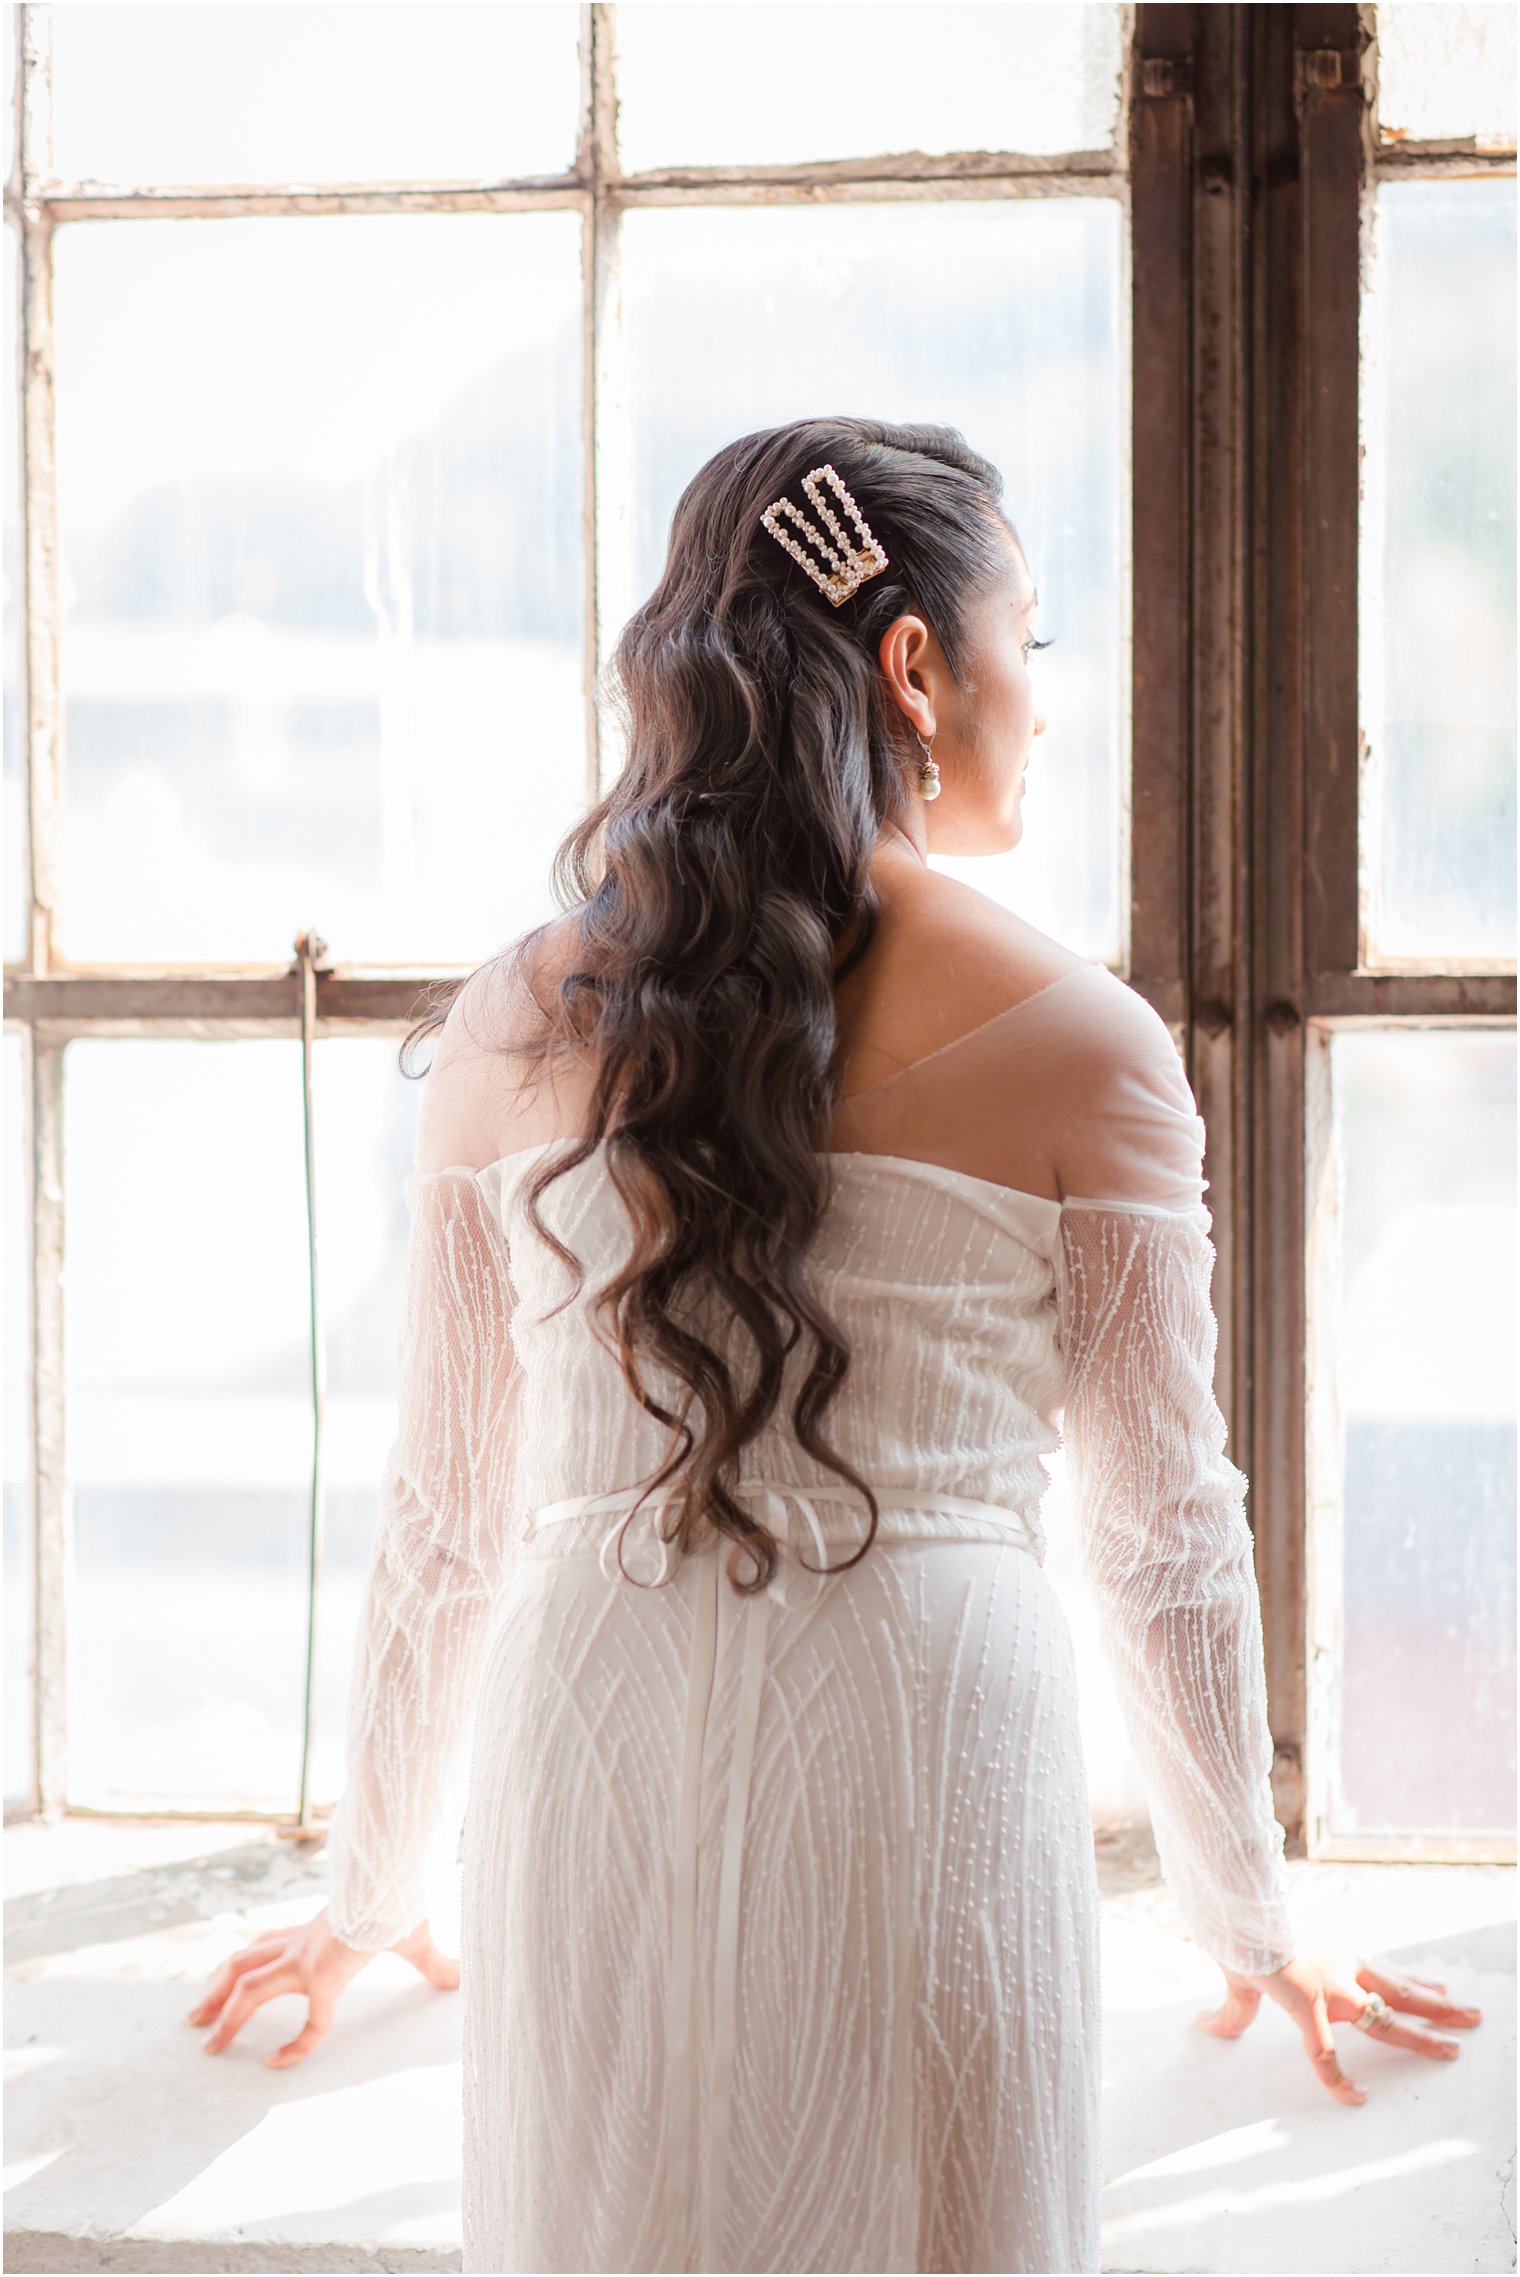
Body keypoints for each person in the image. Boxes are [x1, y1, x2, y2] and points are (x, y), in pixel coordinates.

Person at [186, 418, 1483, 2274]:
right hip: (924, 1724)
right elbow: (1160, 1533)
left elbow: (451, 1514)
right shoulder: (1087, 1041)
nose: (1042, 694)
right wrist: (1255, 1921)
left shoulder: (508, 1019)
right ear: (915, 665)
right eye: (1027, 636)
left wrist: (370, 1885)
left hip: (585, 1736)